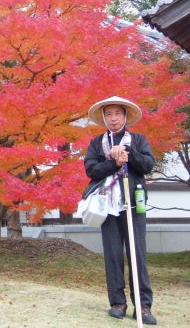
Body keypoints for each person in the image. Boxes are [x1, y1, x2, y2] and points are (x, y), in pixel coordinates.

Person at [84, 96, 157, 325]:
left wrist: (128, 153)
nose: (113, 118)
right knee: (113, 256)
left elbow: (147, 165)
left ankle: (143, 306)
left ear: (125, 116)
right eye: (109, 114)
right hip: (108, 207)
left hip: (134, 205)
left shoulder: (138, 140)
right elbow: (92, 171)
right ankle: (118, 303)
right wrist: (113, 163)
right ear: (104, 118)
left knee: (138, 255)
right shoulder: (97, 143)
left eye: (117, 113)